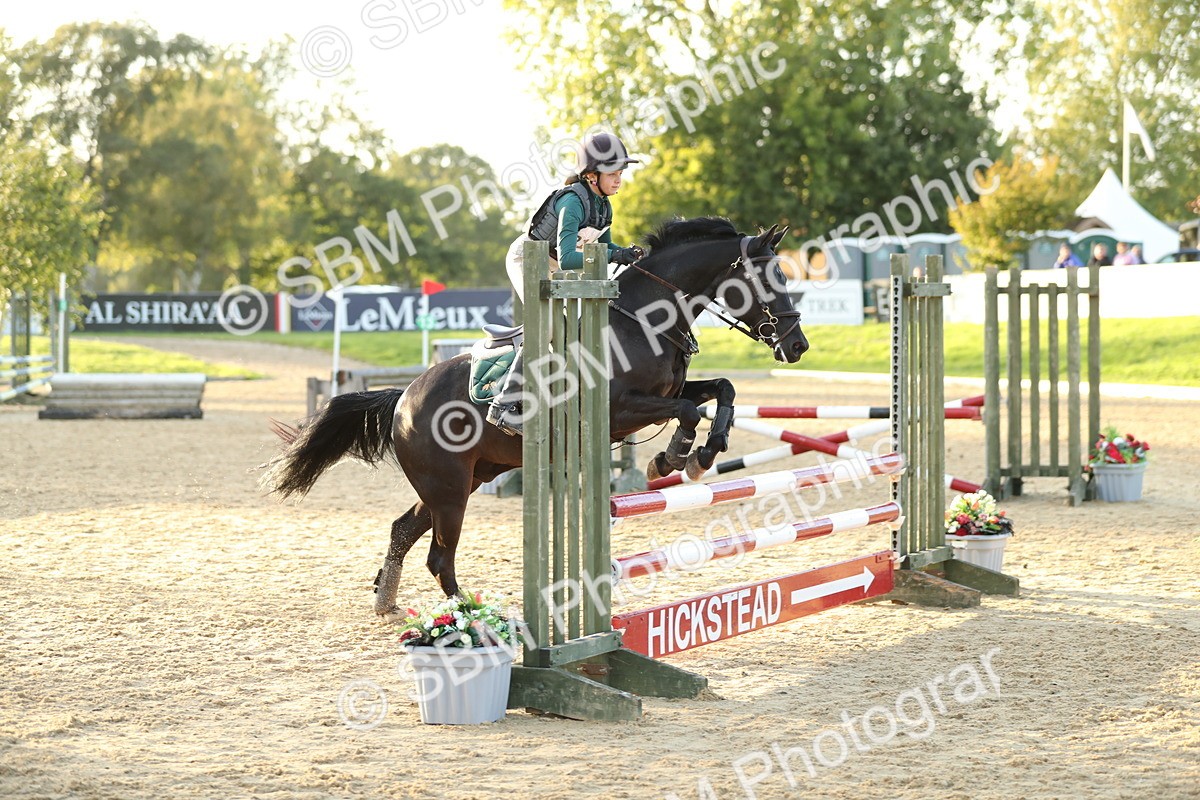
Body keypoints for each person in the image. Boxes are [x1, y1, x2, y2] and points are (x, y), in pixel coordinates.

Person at [487, 131, 644, 436]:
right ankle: (503, 406)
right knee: (545, 327)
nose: (619, 180)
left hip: (554, 264)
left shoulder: (604, 205)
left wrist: (625, 254)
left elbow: (604, 250)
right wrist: (612, 256)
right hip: (528, 259)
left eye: (621, 173)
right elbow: (571, 256)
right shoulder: (572, 202)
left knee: (569, 333)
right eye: (612, 173)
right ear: (591, 175)